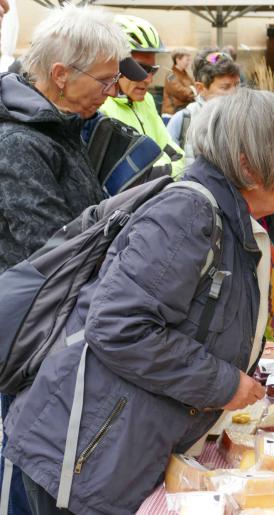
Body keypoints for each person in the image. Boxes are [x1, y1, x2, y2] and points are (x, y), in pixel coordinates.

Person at [3, 89, 274, 515]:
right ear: (249, 165)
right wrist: (226, 384)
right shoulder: (187, 214)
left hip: (127, 449)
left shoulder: (247, 225)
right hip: (83, 459)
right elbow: (120, 327)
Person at [0, 6, 130, 514]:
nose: (112, 90)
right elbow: (53, 250)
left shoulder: (57, 125)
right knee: (31, 468)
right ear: (59, 75)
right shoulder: (17, 143)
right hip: (34, 340)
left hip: (56, 330)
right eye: (104, 79)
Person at [100, 14, 185, 178]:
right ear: (113, 63)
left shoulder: (147, 100)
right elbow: (128, 177)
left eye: (153, 70)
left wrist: (156, 175)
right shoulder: (101, 108)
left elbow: (177, 155)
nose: (149, 79)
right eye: (139, 68)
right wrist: (166, 173)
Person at [167, 49, 241, 168]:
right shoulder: (183, 120)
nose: (234, 93)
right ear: (201, 88)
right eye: (225, 87)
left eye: (237, 85)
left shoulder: (244, 118)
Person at [161, 49, 195, 115]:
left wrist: (193, 91)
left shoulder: (186, 74)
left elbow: (195, 86)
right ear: (178, 60)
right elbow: (180, 92)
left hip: (183, 110)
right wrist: (193, 91)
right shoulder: (170, 75)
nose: (188, 63)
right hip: (172, 112)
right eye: (187, 60)